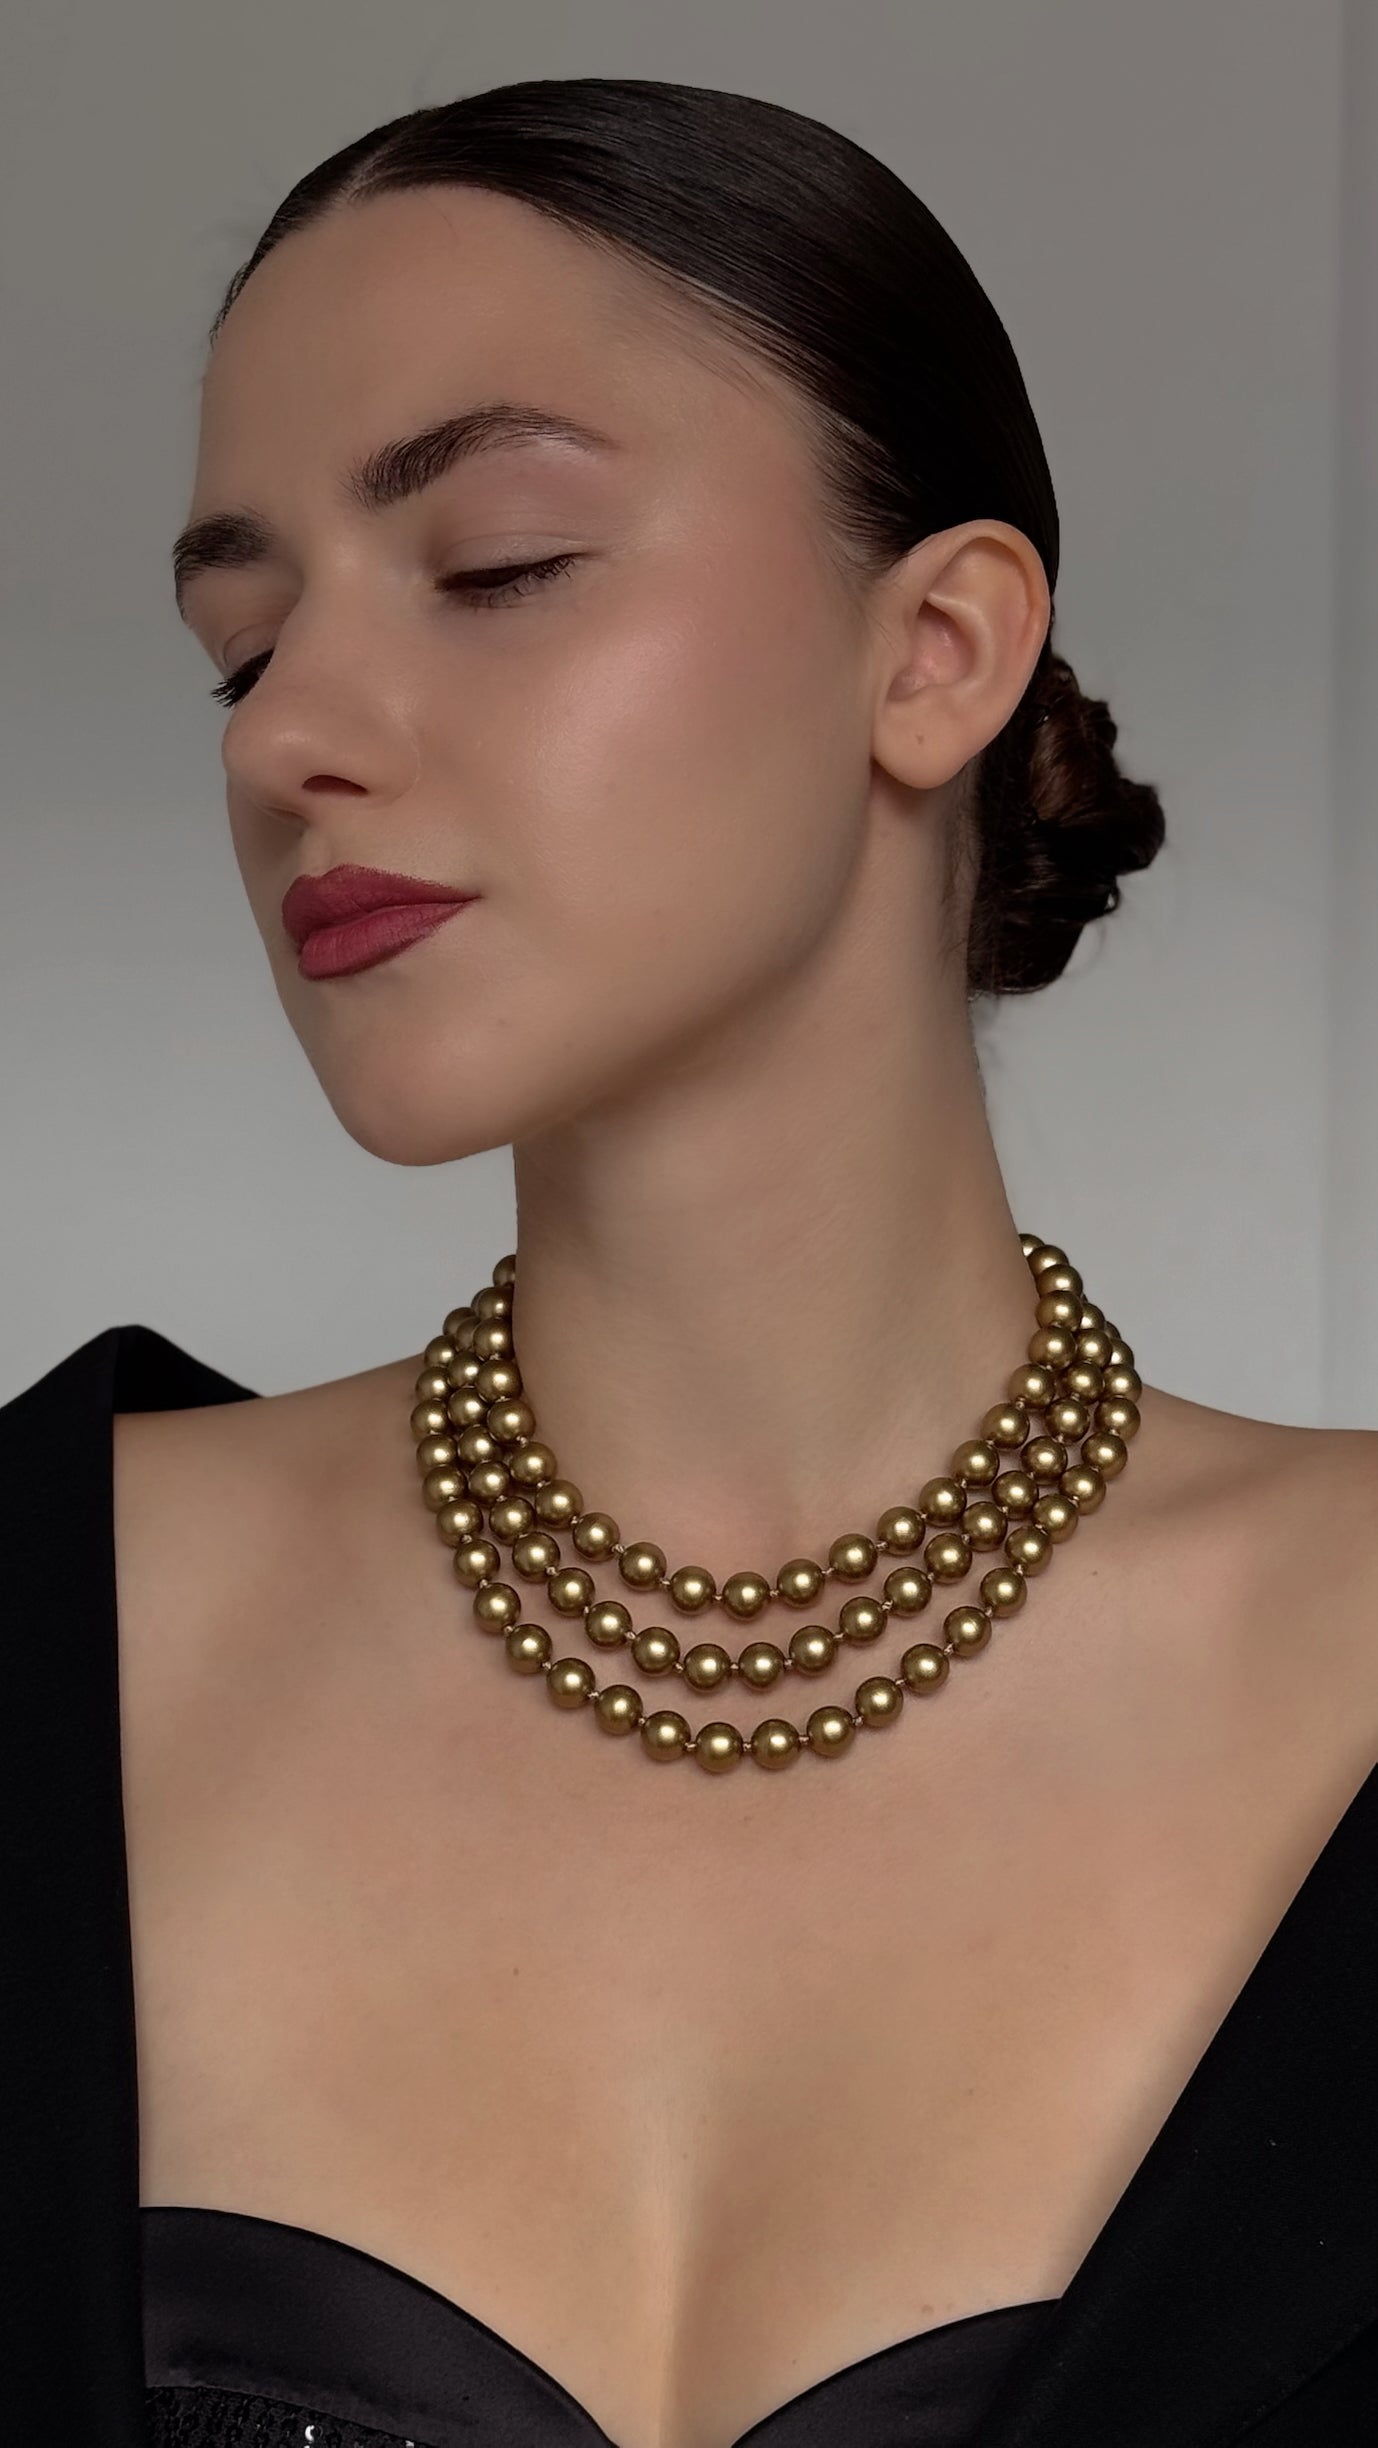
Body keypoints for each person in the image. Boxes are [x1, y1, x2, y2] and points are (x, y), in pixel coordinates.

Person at [3, 72, 1376, 2448]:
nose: (287, 733)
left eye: (496, 563)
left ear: (934, 649)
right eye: (242, 646)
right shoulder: (52, 1622)